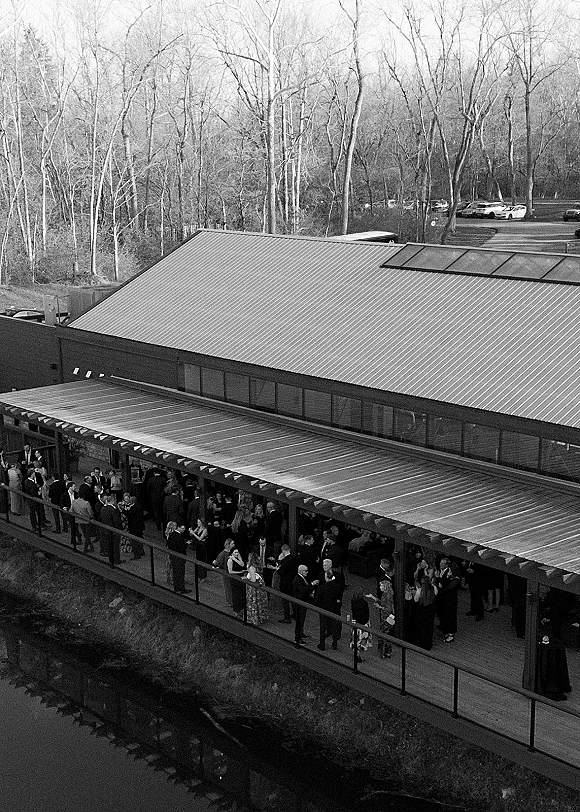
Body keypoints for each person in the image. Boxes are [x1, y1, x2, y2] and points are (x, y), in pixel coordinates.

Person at [314, 563, 343, 651]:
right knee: (334, 626)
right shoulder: (337, 587)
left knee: (323, 627)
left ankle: (322, 645)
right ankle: (334, 644)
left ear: (326, 577)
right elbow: (339, 597)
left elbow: (317, 600)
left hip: (324, 609)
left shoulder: (321, 588)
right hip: (334, 609)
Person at [410, 564, 438, 651]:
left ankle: (420, 643)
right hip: (430, 609)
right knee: (429, 627)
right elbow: (436, 594)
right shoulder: (434, 588)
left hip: (422, 610)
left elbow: (415, 600)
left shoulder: (420, 591)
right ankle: (428, 644)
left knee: (421, 627)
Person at [435, 557, 461, 643]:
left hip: (450, 600)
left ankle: (450, 634)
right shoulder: (441, 571)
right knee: (443, 614)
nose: (440, 565)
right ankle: (443, 627)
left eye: (442, 564)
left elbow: (445, 587)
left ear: (446, 565)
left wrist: (439, 579)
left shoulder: (451, 575)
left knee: (450, 616)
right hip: (443, 599)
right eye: (440, 563)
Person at [166, 522, 191, 594]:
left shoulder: (171, 535)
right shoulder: (179, 537)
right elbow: (181, 548)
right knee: (180, 573)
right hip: (179, 557)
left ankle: (176, 588)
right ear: (178, 528)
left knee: (175, 573)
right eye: (182, 528)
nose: (184, 530)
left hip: (173, 556)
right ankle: (181, 588)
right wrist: (186, 544)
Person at [245, 552, 269, 625]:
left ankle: (255, 619)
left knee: (253, 602)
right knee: (259, 602)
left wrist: (246, 579)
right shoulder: (258, 566)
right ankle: (261, 617)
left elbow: (253, 580)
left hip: (254, 588)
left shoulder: (252, 567)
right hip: (260, 585)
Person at [277, 544, 299, 623]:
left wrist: (279, 565)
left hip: (285, 583)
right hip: (293, 582)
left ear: (283, 551)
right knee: (293, 599)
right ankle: (295, 614)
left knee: (285, 601)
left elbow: (281, 572)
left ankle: (287, 617)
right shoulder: (296, 559)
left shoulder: (284, 560)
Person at [349, 588, 372, 662]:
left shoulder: (353, 601)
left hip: (356, 623)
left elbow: (353, 613)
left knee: (356, 639)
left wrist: (353, 622)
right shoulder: (364, 603)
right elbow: (367, 614)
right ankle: (359, 655)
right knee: (362, 640)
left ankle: (356, 654)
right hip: (363, 624)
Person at [375, 578, 395, 658]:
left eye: (381, 586)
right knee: (386, 635)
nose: (380, 587)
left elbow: (388, 609)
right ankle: (387, 652)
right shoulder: (385, 594)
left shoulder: (388, 596)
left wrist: (379, 607)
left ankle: (384, 652)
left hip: (386, 618)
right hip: (386, 617)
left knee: (384, 635)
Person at [100, 495, 123, 564]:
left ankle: (111, 559)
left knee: (109, 546)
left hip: (106, 530)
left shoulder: (103, 509)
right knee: (115, 546)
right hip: (114, 531)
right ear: (113, 501)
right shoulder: (113, 510)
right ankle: (116, 560)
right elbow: (117, 521)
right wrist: (120, 529)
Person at [293, 564, 312, 646]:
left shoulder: (302, 578)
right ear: (301, 571)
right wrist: (311, 584)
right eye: (306, 571)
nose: (307, 572)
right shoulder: (298, 580)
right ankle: (298, 638)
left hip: (303, 601)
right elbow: (303, 590)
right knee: (300, 620)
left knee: (302, 620)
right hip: (299, 603)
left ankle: (301, 633)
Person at [213, 538, 235, 606]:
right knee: (228, 588)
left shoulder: (233, 552)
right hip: (226, 573)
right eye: (232, 544)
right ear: (228, 545)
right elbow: (219, 563)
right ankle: (230, 601)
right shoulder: (223, 554)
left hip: (233, 572)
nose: (234, 545)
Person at [227, 547, 246, 617]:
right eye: (235, 552)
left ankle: (241, 608)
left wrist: (235, 558)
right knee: (236, 594)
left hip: (240, 578)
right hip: (234, 578)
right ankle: (236, 610)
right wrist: (240, 572)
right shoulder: (230, 560)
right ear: (232, 553)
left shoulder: (237, 558)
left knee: (241, 593)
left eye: (237, 552)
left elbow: (242, 564)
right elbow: (230, 571)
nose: (236, 554)